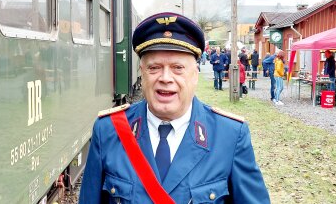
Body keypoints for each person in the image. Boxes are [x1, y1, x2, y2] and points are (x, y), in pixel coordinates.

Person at [79, 12, 270, 204]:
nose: (165, 78)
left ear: (195, 75)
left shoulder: (230, 135)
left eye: (178, 68)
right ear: (142, 74)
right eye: (154, 68)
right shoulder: (108, 130)